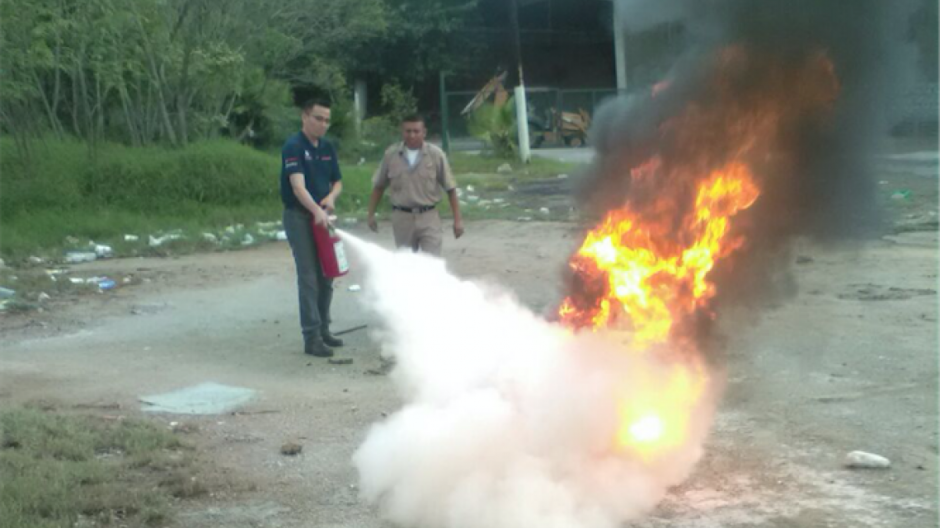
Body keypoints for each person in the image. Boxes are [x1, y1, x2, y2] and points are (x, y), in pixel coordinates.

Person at [280, 99, 344, 357]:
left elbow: (337, 181)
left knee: (327, 273)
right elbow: (298, 187)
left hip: (323, 217)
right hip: (299, 218)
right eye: (318, 118)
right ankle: (312, 337)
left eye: (327, 120)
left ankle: (324, 329)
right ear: (305, 117)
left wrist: (331, 198)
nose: (323, 124)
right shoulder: (293, 146)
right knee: (308, 277)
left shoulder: (327, 147)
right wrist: (316, 211)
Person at [367, 114, 464, 255]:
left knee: (431, 262)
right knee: (407, 264)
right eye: (408, 131)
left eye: (416, 131)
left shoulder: (436, 155)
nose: (412, 135)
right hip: (402, 219)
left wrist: (458, 220)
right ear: (402, 132)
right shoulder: (391, 155)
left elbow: (451, 189)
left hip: (429, 217)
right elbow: (379, 187)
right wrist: (370, 214)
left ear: (424, 132)